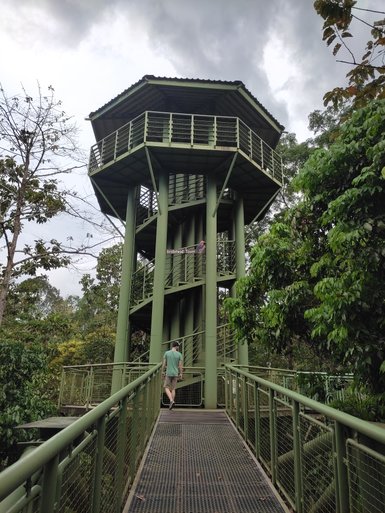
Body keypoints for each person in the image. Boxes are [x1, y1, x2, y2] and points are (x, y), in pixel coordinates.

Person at [162, 341, 183, 410]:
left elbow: (164, 364)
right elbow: (180, 365)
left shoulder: (167, 353)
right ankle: (172, 403)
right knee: (173, 389)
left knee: (166, 387)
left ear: (172, 346)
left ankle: (171, 400)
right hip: (175, 373)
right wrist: (181, 373)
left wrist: (162, 371)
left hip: (168, 373)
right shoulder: (179, 354)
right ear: (176, 346)